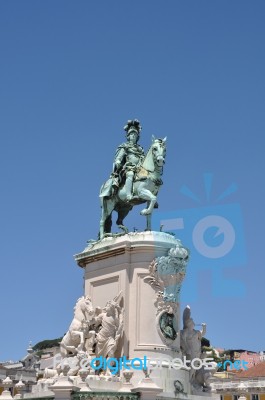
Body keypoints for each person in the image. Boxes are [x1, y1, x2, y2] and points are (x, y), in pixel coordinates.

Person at [111, 119, 145, 201]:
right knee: (130, 174)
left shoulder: (140, 149)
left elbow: (144, 158)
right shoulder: (125, 146)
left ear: (137, 137)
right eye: (131, 134)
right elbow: (119, 157)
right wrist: (118, 161)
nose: (133, 136)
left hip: (140, 168)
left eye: (135, 134)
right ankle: (129, 196)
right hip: (128, 167)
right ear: (128, 136)